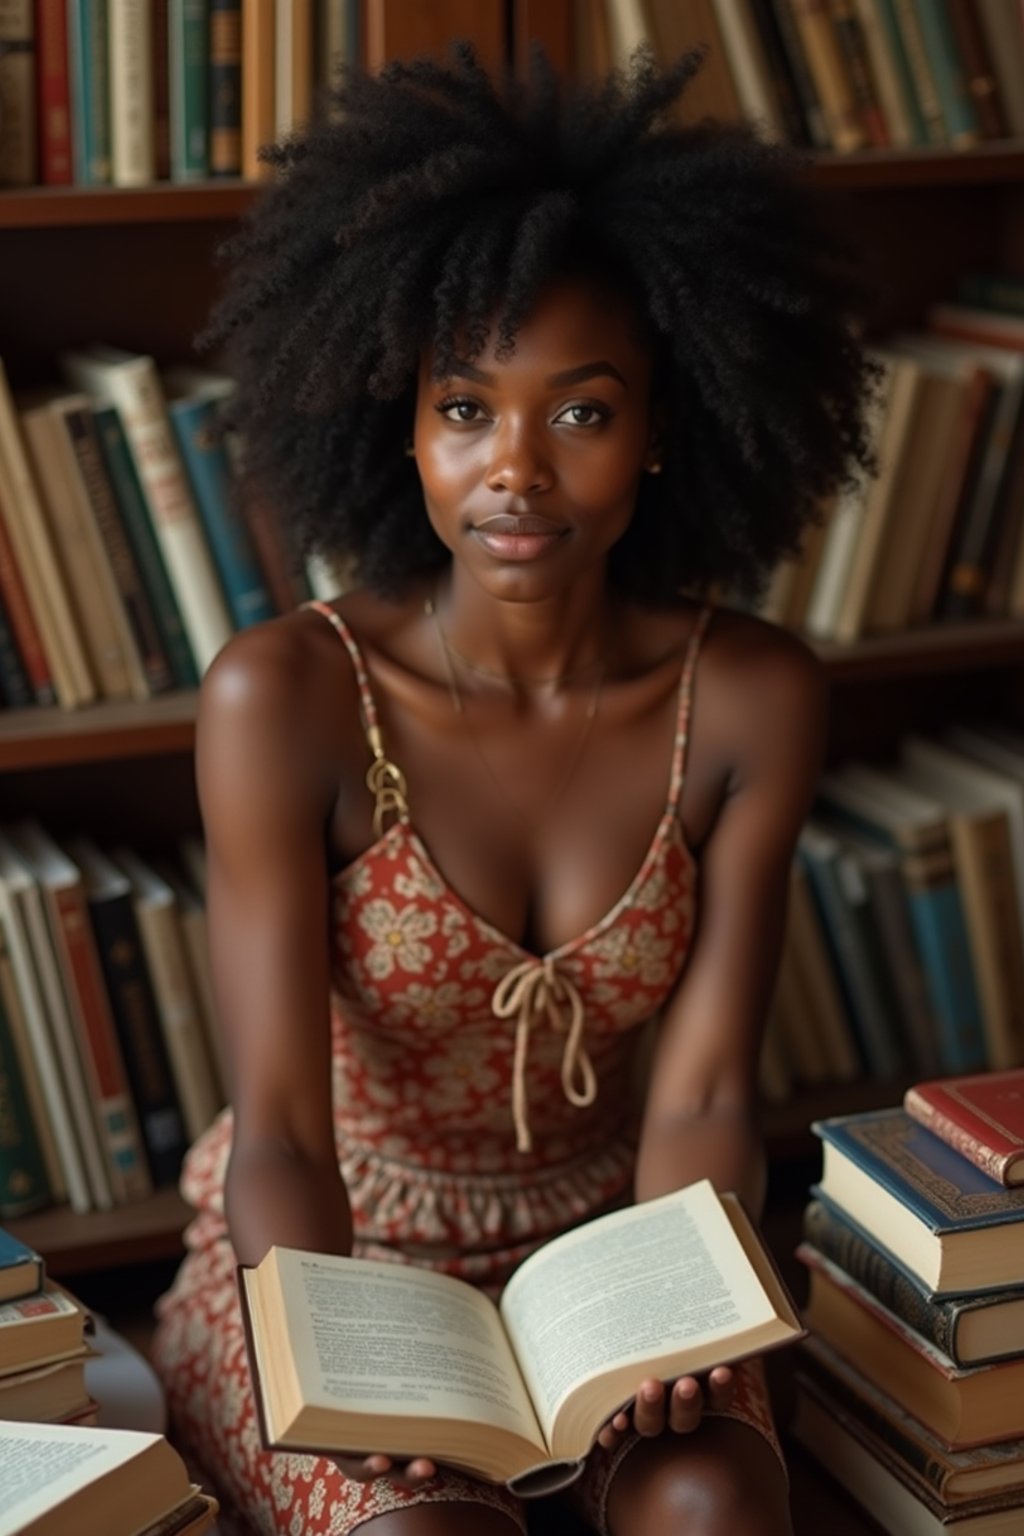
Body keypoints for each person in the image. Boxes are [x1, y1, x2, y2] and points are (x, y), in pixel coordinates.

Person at [152, 40, 876, 1536]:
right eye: (468, 408)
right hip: (330, 1261)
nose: (517, 473)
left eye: (585, 413)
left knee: (708, 1500)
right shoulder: (283, 697)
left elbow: (713, 1089)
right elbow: (280, 1131)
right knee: (424, 1532)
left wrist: (671, 1323)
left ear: (668, 428)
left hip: (627, 1242)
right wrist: (345, 1376)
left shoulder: (747, 697)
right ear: (403, 425)